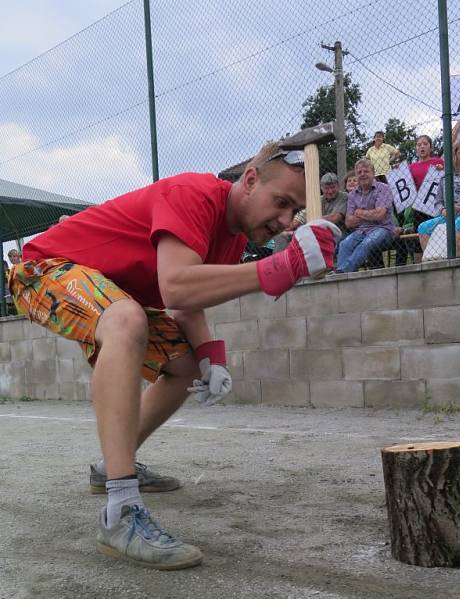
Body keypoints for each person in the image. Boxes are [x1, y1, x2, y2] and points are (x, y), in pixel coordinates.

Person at [9, 142, 339, 570]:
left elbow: (185, 304)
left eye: (293, 211)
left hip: (107, 291)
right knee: (126, 320)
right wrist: (281, 267)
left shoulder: (232, 240)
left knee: (184, 367)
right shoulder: (194, 194)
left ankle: (110, 466)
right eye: (280, 203)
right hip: (43, 269)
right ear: (250, 180)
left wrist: (210, 357)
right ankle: (120, 511)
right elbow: (177, 287)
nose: (283, 221)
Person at [417, 139, 460, 258]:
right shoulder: (445, 175)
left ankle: (459, 260)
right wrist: (443, 210)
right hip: (448, 215)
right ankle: (434, 261)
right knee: (423, 228)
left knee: (459, 223)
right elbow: (438, 201)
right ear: (455, 154)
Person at [336, 158, 395, 272]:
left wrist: (359, 212)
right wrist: (371, 213)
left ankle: (342, 272)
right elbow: (348, 222)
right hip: (361, 231)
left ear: (373, 173)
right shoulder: (353, 194)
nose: (362, 174)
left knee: (366, 243)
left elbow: (380, 215)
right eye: (359, 172)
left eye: (366, 171)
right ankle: (343, 276)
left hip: (383, 229)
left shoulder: (383, 188)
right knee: (344, 244)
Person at [407, 134, 445, 262]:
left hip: (436, 203)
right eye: (419, 144)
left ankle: (439, 258)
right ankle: (420, 263)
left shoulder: (438, 162)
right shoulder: (411, 167)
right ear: (416, 148)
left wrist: (442, 169)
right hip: (419, 206)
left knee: (437, 232)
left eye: (425, 144)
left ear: (430, 147)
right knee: (419, 233)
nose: (422, 147)